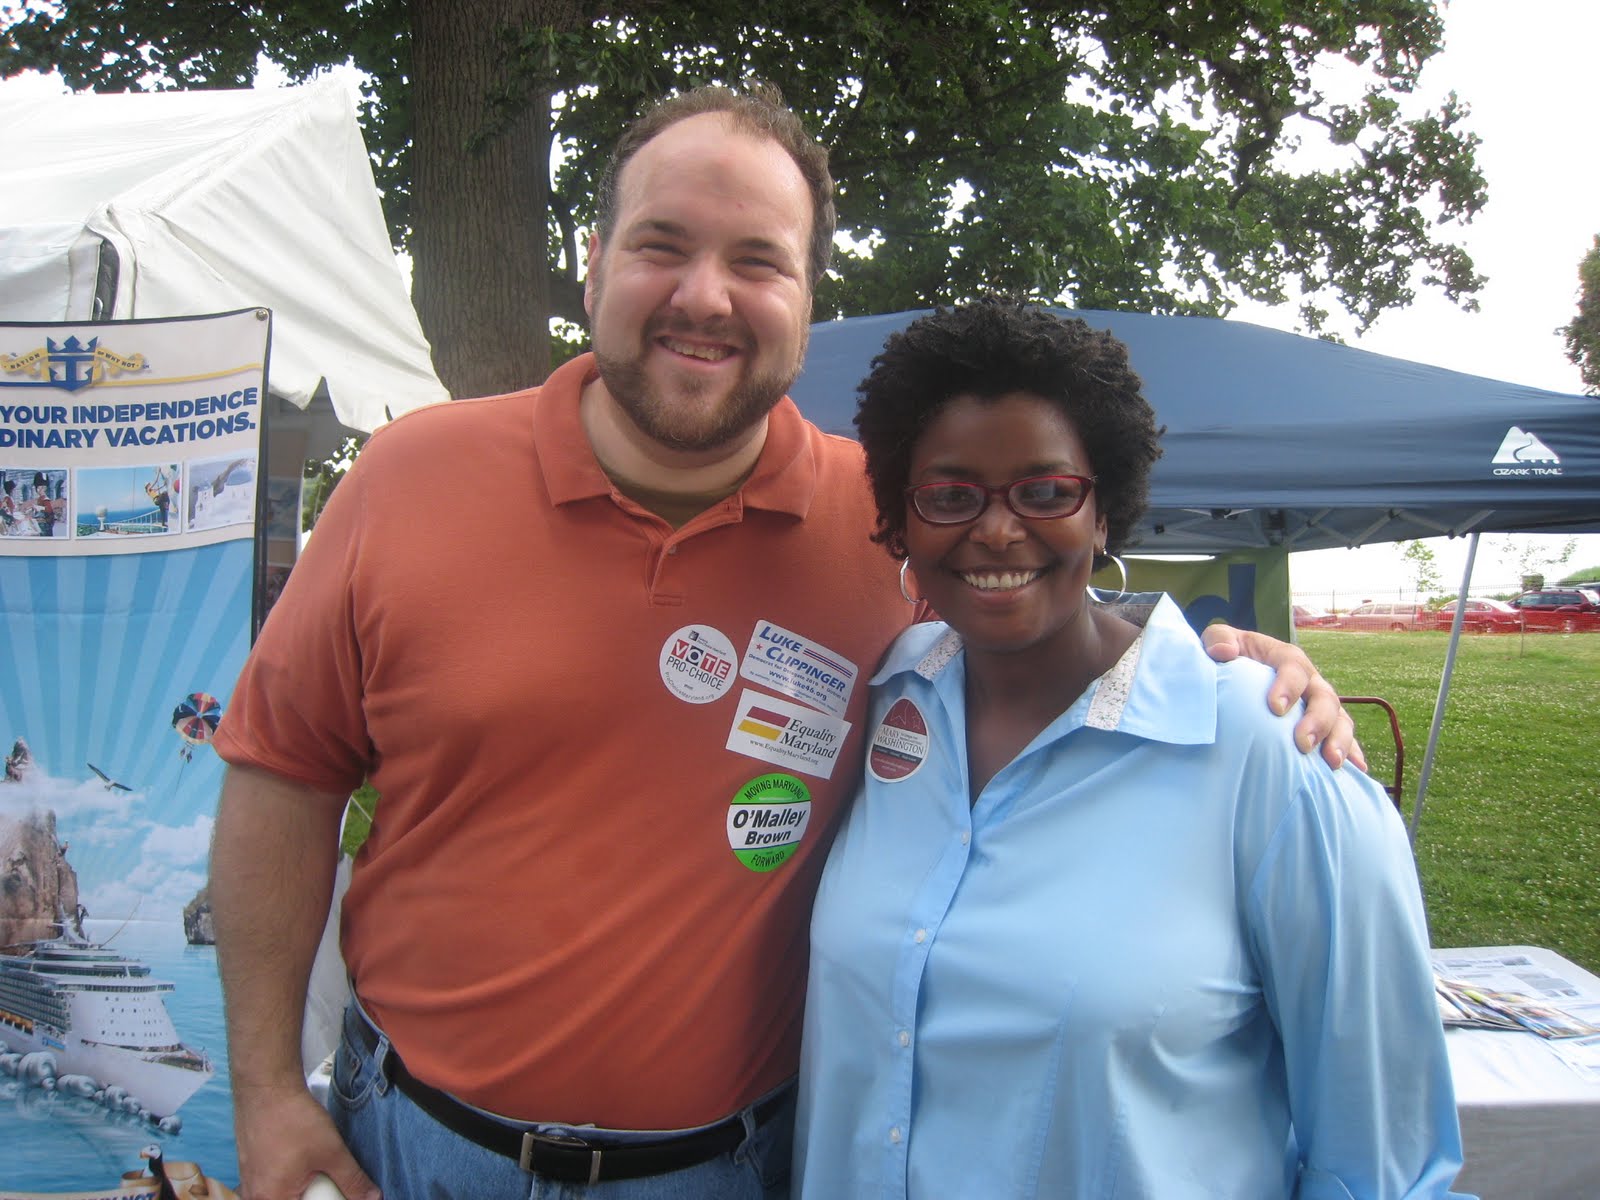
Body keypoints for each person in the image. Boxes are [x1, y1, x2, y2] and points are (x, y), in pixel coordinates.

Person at [208, 86, 1355, 1200]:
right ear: (594, 259)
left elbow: (1052, 670)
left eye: (757, 260)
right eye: (662, 244)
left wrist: (1233, 665)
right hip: (409, 1149)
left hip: (735, 1166)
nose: (704, 295)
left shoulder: (896, 527)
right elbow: (281, 778)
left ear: (805, 295)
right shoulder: (410, 478)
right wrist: (263, 1088)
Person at [794, 301, 1469, 1199]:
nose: (997, 530)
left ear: (1105, 508)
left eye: (1046, 491)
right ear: (903, 523)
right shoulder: (883, 698)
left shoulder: (1269, 756)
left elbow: (1385, 1158)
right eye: (951, 495)